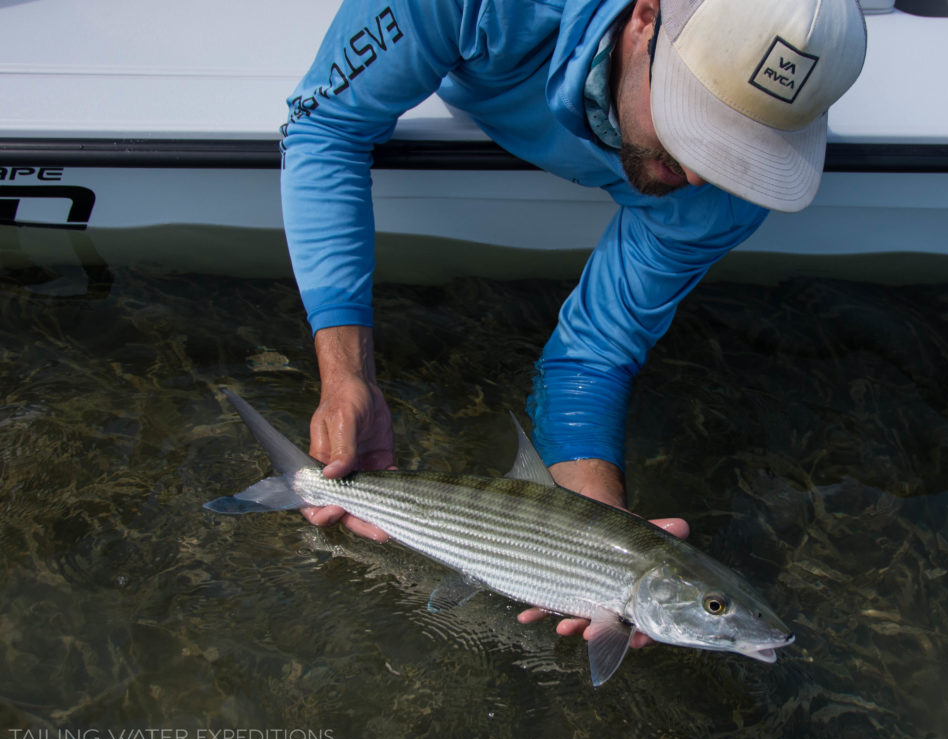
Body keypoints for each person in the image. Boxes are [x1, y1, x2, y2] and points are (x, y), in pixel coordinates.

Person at [280, 0, 867, 642]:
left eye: (738, 148)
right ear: (644, 20)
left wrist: (592, 531)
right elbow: (329, 128)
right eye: (693, 121)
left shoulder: (724, 189)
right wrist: (346, 377)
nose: (700, 172)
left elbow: (593, 354)